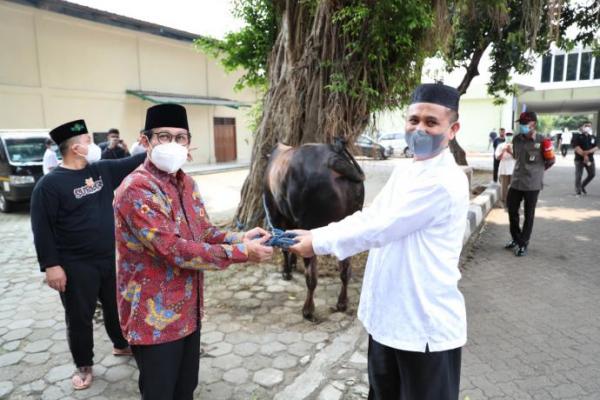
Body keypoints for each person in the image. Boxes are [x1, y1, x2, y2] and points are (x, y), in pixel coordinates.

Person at [288, 83, 469, 400]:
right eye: (414, 120)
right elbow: (370, 216)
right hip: (388, 319)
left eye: (431, 122)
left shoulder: (443, 181)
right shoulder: (407, 171)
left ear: (452, 129)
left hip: (423, 327)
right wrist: (316, 234)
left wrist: (318, 242)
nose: (419, 129)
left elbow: (380, 226)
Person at [114, 103, 274, 400]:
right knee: (160, 392)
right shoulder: (137, 189)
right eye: (164, 136)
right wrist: (242, 252)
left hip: (188, 309)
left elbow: (204, 232)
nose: (173, 144)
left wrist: (239, 236)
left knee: (185, 389)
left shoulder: (186, 183)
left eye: (181, 137)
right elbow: (174, 249)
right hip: (153, 318)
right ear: (145, 140)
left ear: (189, 144)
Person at [30, 120, 146, 390]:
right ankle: (83, 365)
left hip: (108, 257)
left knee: (115, 305)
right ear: (75, 148)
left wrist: (165, 148)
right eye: (88, 140)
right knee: (79, 317)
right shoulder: (49, 186)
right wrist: (51, 266)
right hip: (74, 264)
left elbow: (135, 162)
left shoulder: (100, 170)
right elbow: (42, 229)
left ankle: (121, 344)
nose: (93, 144)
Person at [505, 112, 554, 257]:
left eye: (525, 123)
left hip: (532, 184)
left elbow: (551, 160)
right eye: (521, 123)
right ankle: (516, 238)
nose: (522, 126)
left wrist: (537, 171)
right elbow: (516, 156)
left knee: (528, 214)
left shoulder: (543, 140)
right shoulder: (517, 139)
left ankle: (523, 243)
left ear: (533, 124)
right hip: (517, 181)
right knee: (512, 210)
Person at [572, 120, 597, 195]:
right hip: (579, 159)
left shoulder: (592, 137)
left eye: (589, 126)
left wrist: (588, 152)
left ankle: (582, 186)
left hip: (590, 159)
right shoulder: (576, 136)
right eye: (586, 126)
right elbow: (576, 148)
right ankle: (578, 190)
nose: (587, 127)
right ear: (582, 127)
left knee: (592, 174)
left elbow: (597, 147)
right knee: (579, 175)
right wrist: (584, 155)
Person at [494, 132, 515, 208]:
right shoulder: (501, 145)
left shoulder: (516, 145)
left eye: (510, 135)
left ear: (513, 136)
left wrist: (510, 151)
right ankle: (504, 202)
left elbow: (518, 158)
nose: (509, 137)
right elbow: (497, 158)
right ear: (505, 136)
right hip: (504, 169)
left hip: (514, 169)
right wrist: (503, 151)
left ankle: (513, 202)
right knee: (504, 188)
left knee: (514, 187)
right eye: (507, 135)